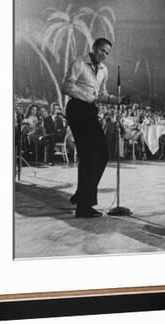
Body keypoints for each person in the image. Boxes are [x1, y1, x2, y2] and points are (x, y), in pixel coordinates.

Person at [62, 38, 127, 218]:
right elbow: (66, 86)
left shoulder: (104, 70)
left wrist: (118, 101)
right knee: (89, 155)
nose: (104, 55)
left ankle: (82, 195)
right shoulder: (79, 63)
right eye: (102, 51)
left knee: (103, 155)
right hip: (77, 109)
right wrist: (87, 97)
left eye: (107, 53)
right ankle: (84, 205)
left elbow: (101, 95)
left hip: (90, 111)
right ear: (94, 48)